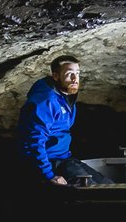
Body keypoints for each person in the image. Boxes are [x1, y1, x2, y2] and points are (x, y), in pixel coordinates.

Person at [16, 54, 112, 186]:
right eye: (69, 74)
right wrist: (49, 175)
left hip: (64, 157)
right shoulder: (45, 101)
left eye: (77, 73)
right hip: (50, 161)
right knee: (92, 189)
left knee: (107, 184)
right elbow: (34, 142)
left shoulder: (66, 95)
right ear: (55, 76)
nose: (75, 79)